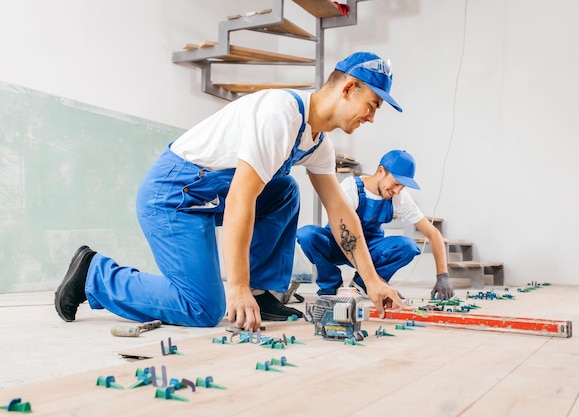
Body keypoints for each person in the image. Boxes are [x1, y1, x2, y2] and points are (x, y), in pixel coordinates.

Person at [54, 51, 408, 331]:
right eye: (372, 105)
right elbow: (241, 197)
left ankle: (260, 290)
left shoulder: (318, 144)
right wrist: (234, 286)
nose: (371, 117)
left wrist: (373, 281)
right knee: (204, 308)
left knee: (284, 189)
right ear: (347, 89)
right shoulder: (280, 114)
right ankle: (96, 274)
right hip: (171, 195)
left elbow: (340, 211)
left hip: (205, 194)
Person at [296, 150, 454, 300]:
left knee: (408, 246)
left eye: (402, 186)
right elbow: (343, 232)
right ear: (381, 171)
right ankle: (330, 284)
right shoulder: (351, 187)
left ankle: (362, 284)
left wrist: (443, 276)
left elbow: (433, 234)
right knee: (307, 235)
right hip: (338, 243)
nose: (398, 190)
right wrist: (375, 278)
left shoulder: (398, 196)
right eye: (396, 183)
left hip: (369, 247)